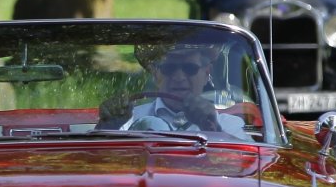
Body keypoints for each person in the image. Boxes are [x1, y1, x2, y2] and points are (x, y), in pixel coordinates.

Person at [97, 45, 249, 137]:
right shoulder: (128, 120)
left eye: (190, 68)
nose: (179, 77)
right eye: (168, 68)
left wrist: (211, 127)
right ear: (155, 74)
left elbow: (242, 163)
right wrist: (107, 126)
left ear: (206, 74)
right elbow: (96, 161)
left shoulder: (229, 124)